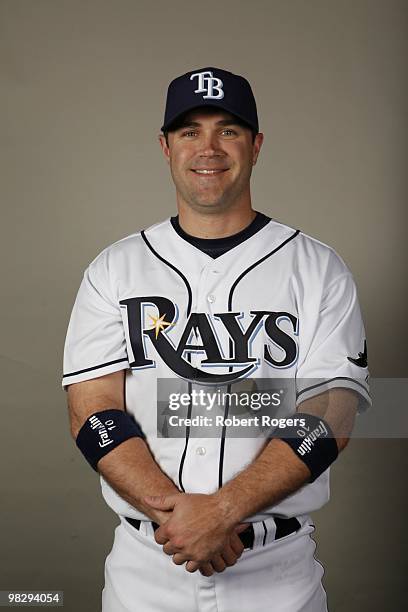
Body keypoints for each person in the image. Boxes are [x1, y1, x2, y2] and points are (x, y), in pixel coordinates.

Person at [62, 67, 370, 612]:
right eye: (189, 131)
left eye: (228, 130)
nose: (209, 147)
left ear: (256, 144)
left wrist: (222, 511)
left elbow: (331, 416)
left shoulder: (320, 268)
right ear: (165, 146)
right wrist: (181, 518)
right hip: (144, 571)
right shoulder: (114, 269)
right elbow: (94, 411)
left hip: (278, 577)